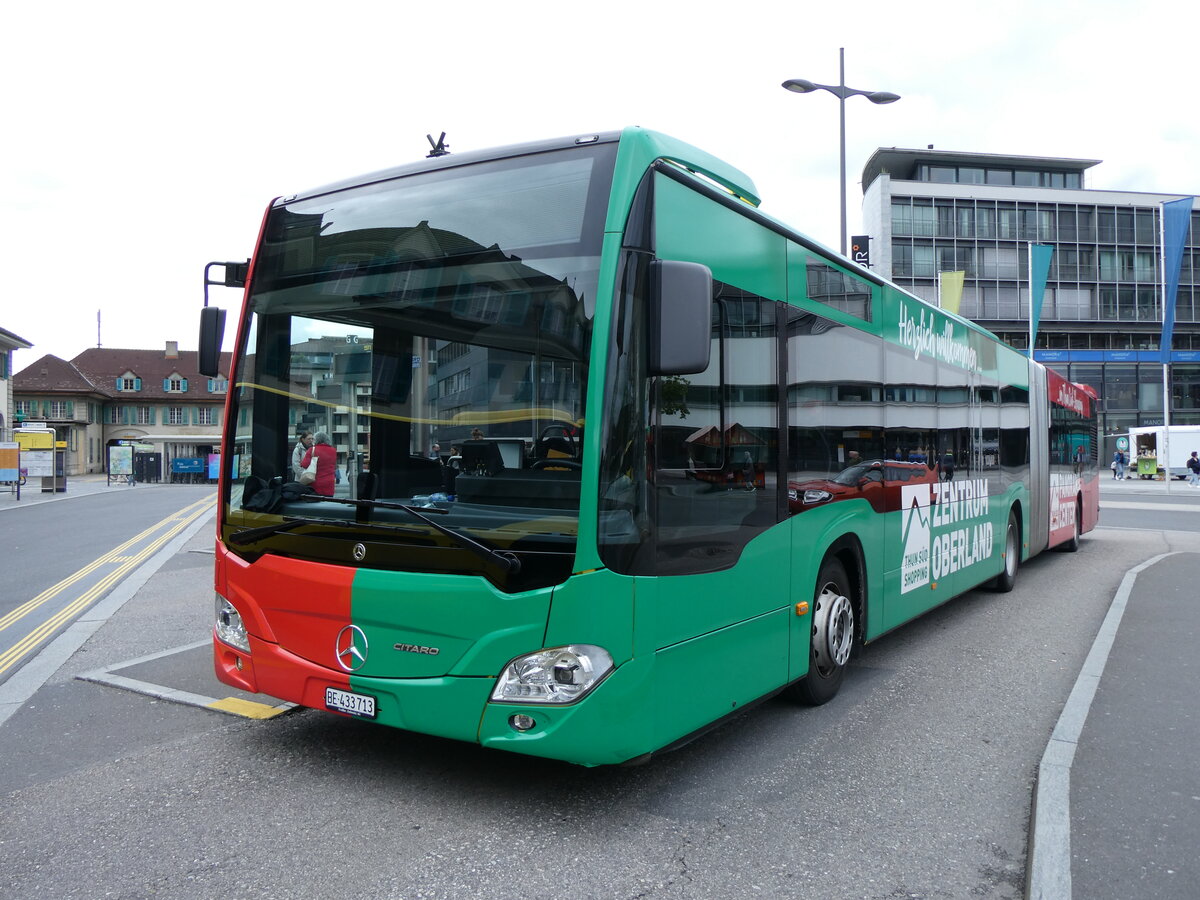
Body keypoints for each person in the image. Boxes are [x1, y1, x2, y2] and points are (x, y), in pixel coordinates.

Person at [299, 432, 337, 496]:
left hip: (315, 484)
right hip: (329, 483)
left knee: (316, 504)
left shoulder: (312, 450)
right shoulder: (333, 450)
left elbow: (304, 465)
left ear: (316, 440)